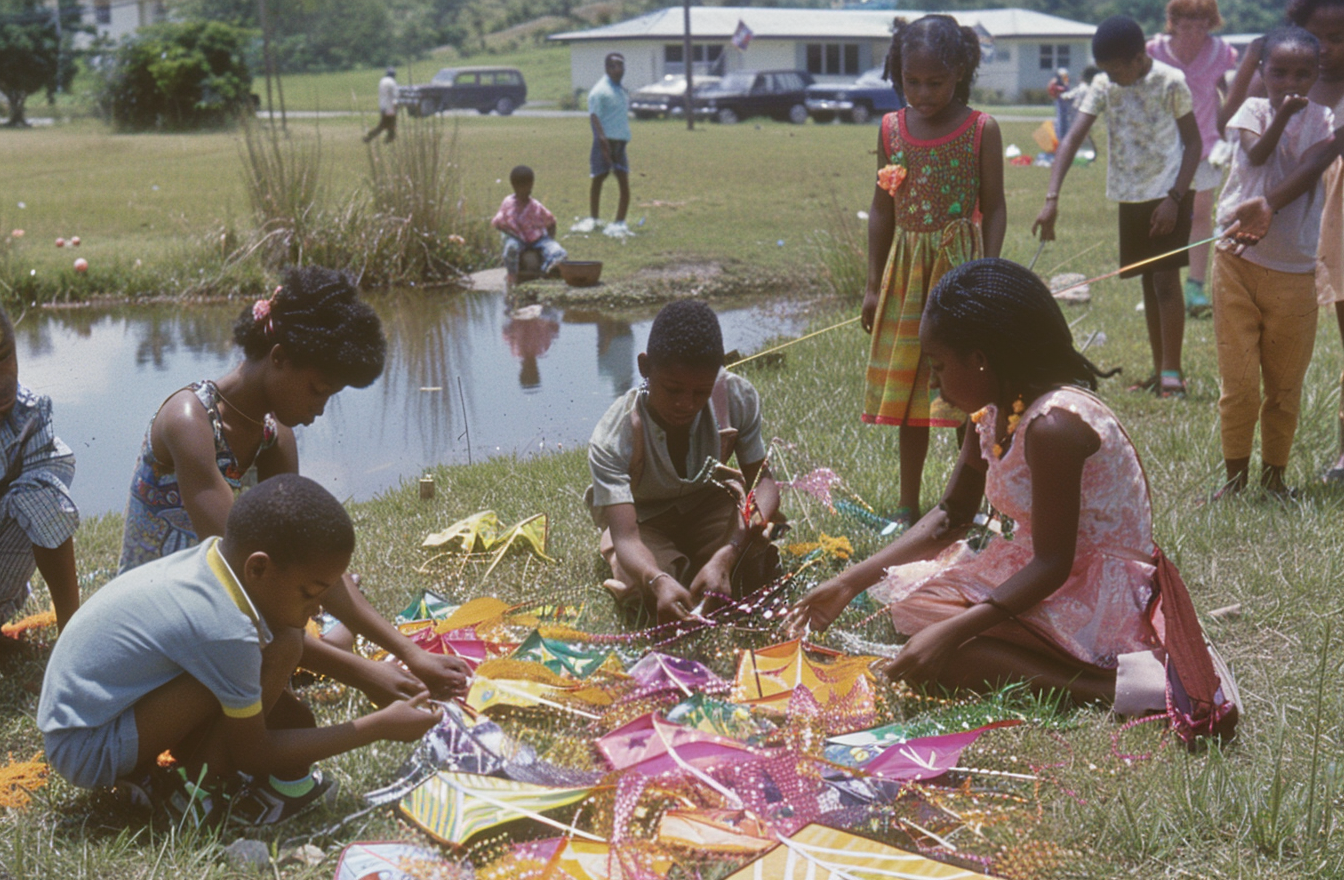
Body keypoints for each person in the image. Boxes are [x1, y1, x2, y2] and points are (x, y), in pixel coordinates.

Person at [790, 258, 1163, 706]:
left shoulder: (1053, 426)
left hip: (1099, 594)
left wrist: (952, 633)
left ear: (980, 360)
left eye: (939, 365)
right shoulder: (992, 412)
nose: (932, 381)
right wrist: (848, 584)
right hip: (1052, 574)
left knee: (951, 654)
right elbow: (951, 516)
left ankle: (1105, 691)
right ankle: (1007, 653)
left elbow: (1053, 565)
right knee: (912, 606)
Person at [119, 266, 471, 707]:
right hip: (165, 613)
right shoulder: (189, 422)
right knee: (287, 640)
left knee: (301, 623)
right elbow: (235, 566)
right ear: (280, 357)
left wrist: (410, 653)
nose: (319, 410)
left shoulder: (273, 435)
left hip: (227, 600)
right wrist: (368, 673)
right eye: (317, 390)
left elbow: (298, 548)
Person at [38, 475, 442, 825]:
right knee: (276, 651)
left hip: (90, 717)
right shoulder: (225, 631)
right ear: (259, 568)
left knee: (279, 655)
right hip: (88, 746)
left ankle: (166, 771)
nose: (317, 608)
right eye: (309, 593)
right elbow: (254, 751)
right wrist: (379, 727)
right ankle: (193, 795)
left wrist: (361, 673)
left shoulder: (216, 561)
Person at [862, 14, 1006, 529]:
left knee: (966, 393)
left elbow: (996, 206)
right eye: (911, 82)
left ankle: (973, 500)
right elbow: (882, 208)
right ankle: (907, 503)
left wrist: (987, 276)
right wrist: (873, 285)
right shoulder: (891, 129)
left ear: (961, 70)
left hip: (959, 271)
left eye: (936, 82)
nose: (923, 93)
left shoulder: (981, 130)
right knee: (912, 397)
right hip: (906, 275)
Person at [1034, 15, 1202, 400]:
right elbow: (1073, 137)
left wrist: (1175, 200)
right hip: (1131, 195)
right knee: (1147, 279)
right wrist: (1052, 199)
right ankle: (1160, 371)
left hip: (1169, 194)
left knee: (1165, 281)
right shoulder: (1104, 84)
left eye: (1117, 70)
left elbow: (1193, 144)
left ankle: (1173, 373)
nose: (1112, 78)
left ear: (1139, 57)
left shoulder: (1170, 82)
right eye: (1106, 71)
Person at [585, 300, 780, 625]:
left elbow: (764, 484)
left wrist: (726, 555)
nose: (685, 404)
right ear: (645, 368)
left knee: (752, 556)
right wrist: (656, 581)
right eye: (672, 389)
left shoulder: (735, 397)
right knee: (651, 580)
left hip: (710, 504)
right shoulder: (615, 434)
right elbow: (627, 536)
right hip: (644, 521)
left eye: (700, 392)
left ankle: (716, 564)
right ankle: (658, 580)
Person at [1210, 27, 1332, 500]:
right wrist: (1281, 114)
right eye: (1279, 72)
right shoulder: (1253, 111)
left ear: (1318, 74)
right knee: (1238, 383)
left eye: (1303, 73)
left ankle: (1275, 478)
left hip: (1296, 270)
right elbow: (1258, 153)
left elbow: (1308, 173)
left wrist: (1296, 114)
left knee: (1283, 386)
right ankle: (1235, 479)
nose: (1290, 82)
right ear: (1261, 72)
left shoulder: (1326, 122)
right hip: (1237, 262)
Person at [1147, 0, 1240, 317]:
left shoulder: (1221, 52)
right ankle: (1163, 282)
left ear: (1211, 23)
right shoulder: (1154, 51)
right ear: (1173, 22)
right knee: (1164, 214)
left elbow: (1227, 93)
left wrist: (1226, 132)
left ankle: (1195, 286)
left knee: (1201, 214)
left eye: (1201, 25)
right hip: (1164, 149)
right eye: (1187, 24)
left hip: (1205, 145)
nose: (1194, 32)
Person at [0, 308, 80, 637]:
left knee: (43, 493)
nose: (3, 375)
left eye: (5, 355)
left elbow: (49, 511)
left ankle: (73, 638)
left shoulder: (29, 413)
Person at [573, 53, 633, 238]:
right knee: (599, 177)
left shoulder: (620, 90)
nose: (619, 69)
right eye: (614, 66)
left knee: (623, 180)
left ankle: (619, 222)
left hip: (620, 142)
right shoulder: (600, 91)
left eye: (621, 65)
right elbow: (594, 116)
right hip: (605, 141)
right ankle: (594, 218)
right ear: (607, 68)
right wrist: (602, 140)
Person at [492, 165, 567, 285]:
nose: (527, 190)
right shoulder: (508, 203)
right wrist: (509, 236)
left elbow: (551, 221)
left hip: (537, 239)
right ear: (515, 186)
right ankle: (512, 275)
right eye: (523, 187)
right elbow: (499, 223)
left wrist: (549, 239)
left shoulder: (535, 206)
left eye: (529, 186)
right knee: (511, 248)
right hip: (516, 239)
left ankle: (548, 269)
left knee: (558, 252)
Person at [363, 67, 399, 144]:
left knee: (387, 125)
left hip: (383, 107)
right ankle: (371, 137)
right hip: (390, 108)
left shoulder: (382, 81)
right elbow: (395, 96)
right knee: (387, 125)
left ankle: (388, 140)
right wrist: (396, 107)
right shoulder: (392, 82)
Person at [1047, 67, 1072, 151]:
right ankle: (1060, 137)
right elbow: (1056, 89)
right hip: (1060, 101)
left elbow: (1067, 88)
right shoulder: (1056, 82)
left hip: (1064, 102)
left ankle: (1064, 136)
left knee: (1065, 120)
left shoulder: (1064, 81)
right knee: (1061, 120)